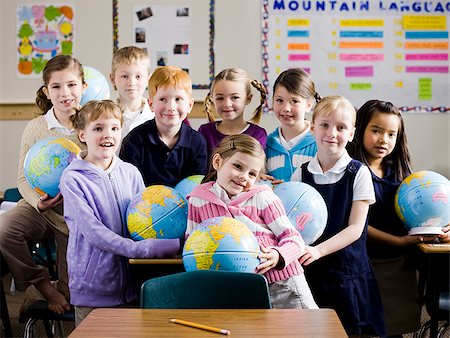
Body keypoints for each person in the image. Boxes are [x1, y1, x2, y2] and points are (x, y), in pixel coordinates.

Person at [59, 100, 180, 326]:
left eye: (114, 128)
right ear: (82, 134)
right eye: (98, 128)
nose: (108, 134)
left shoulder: (131, 172)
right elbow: (94, 233)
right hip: (93, 288)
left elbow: (146, 217)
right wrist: (140, 250)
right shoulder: (72, 179)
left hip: (132, 285)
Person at [347, 99, 450, 336]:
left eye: (392, 134)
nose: (384, 139)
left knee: (395, 327)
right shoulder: (351, 171)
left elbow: (424, 215)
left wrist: (441, 229)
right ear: (359, 129)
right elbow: (355, 224)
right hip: (364, 261)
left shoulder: (403, 175)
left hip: (399, 264)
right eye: (376, 130)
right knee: (362, 327)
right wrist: (399, 242)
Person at [186, 134, 318, 309]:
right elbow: (191, 244)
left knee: (303, 332)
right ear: (217, 162)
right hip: (237, 288)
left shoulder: (263, 197)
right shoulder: (198, 199)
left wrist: (278, 255)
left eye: (252, 174)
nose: (243, 176)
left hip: (283, 283)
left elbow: (294, 239)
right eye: (238, 166)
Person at [0, 55, 87, 315]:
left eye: (72, 85)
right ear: (46, 92)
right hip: (39, 208)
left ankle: (37, 293)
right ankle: (41, 284)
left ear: (83, 86)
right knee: (4, 229)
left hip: (73, 218)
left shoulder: (92, 123)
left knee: (71, 295)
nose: (65, 93)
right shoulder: (36, 127)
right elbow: (23, 178)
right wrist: (38, 203)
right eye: (57, 87)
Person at [298, 95, 387, 336]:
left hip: (347, 273)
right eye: (325, 125)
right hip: (311, 271)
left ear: (351, 133)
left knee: (350, 330)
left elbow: (355, 229)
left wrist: (317, 251)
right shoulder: (300, 173)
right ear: (312, 127)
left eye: (341, 127)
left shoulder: (359, 173)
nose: (332, 133)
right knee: (313, 329)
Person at [120, 66, 207, 187]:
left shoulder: (197, 142)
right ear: (151, 104)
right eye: (163, 99)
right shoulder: (134, 140)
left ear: (190, 105)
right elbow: (128, 185)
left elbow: (197, 186)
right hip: (144, 204)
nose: (171, 107)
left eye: (178, 99)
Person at [199, 68, 268, 163]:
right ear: (212, 99)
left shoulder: (258, 134)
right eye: (220, 98)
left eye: (235, 97)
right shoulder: (205, 132)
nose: (227, 104)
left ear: (248, 99)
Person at [265, 68, 319, 182]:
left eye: (294, 101)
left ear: (309, 105)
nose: (286, 108)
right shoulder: (266, 144)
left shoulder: (320, 142)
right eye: (279, 100)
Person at [109, 46, 154, 139]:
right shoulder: (105, 115)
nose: (132, 83)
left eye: (138, 76)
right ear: (113, 79)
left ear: (148, 80)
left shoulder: (156, 116)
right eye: (125, 76)